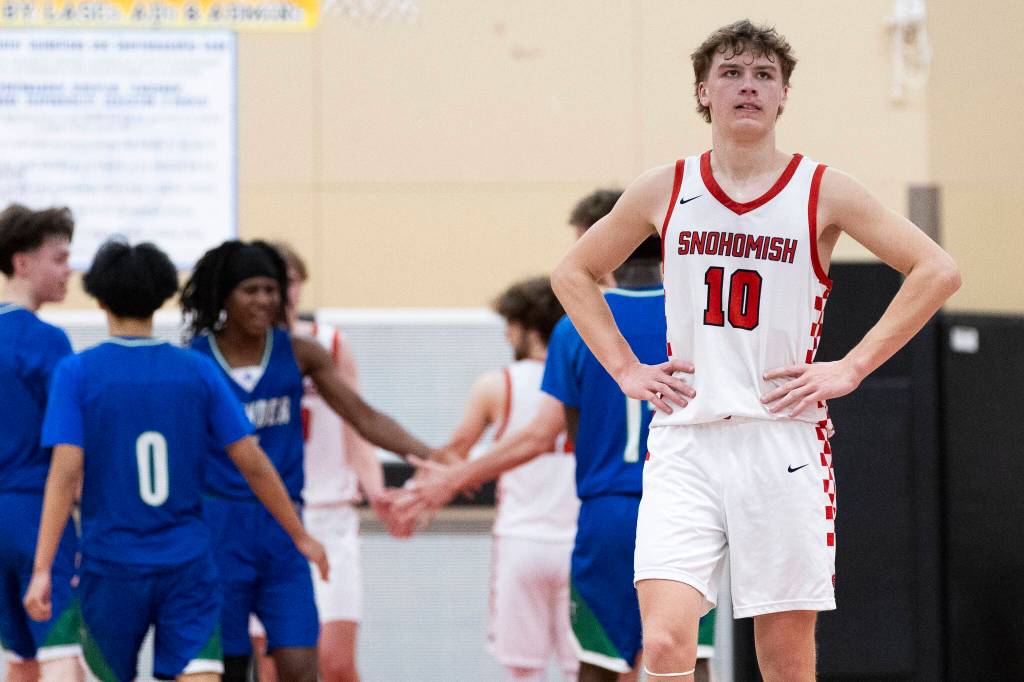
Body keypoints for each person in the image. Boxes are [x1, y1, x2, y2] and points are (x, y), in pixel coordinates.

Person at [547, 19, 961, 681]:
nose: (748, 87)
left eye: (764, 75)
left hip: (781, 440)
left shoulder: (823, 188)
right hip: (686, 439)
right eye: (732, 74)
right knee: (662, 644)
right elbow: (572, 273)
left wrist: (852, 366)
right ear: (703, 91)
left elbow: (936, 269)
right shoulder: (665, 186)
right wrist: (624, 368)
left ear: (784, 96)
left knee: (786, 661)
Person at [401, 190, 714, 682]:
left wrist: (451, 479)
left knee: (597, 663)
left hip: (607, 509)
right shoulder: (704, 319)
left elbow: (541, 436)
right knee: (690, 659)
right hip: (691, 508)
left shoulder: (574, 328)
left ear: (606, 243)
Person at [22, 239, 328, 682]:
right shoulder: (196, 369)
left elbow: (65, 472)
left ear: (100, 298)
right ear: (163, 295)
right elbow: (253, 460)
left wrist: (42, 568)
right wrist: (299, 535)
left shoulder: (78, 372)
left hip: (112, 565)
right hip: (186, 564)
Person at [181, 240, 440, 682]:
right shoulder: (195, 361)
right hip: (220, 527)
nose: (265, 300)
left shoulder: (301, 353)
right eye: (251, 290)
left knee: (303, 666)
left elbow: (365, 417)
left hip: (286, 531)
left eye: (271, 289)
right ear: (224, 294)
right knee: (231, 667)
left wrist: (433, 455)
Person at [250, 243, 393, 682]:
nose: (281, 294)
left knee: (335, 663)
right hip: (268, 518)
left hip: (330, 514)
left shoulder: (328, 343)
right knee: (274, 667)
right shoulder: (238, 352)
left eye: (289, 282)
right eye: (270, 284)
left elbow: (357, 428)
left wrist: (379, 491)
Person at [440, 276, 579, 681]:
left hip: (522, 541)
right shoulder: (594, 374)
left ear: (527, 328)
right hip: (579, 539)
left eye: (509, 325)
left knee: (524, 671)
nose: (506, 333)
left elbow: (453, 455)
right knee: (584, 668)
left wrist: (419, 488)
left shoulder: (496, 385)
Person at [0, 204, 83, 682]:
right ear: (21, 262)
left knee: (20, 658)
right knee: (61, 656)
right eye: (59, 257)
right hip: (37, 512)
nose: (68, 269)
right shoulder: (48, 341)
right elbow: (70, 448)